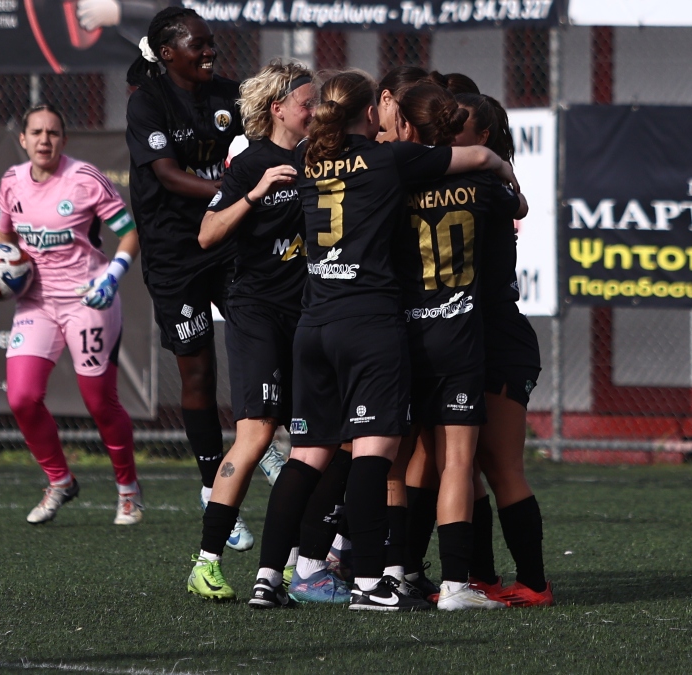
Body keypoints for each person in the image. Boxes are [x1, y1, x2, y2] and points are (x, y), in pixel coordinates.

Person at [245, 69, 519, 611]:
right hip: (368, 324)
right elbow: (475, 159)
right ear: (370, 112)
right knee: (375, 454)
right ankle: (372, 583)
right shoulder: (388, 158)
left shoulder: (307, 157)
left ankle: (268, 578)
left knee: (307, 455)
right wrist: (502, 167)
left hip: (313, 324)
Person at [124, 6, 254, 550]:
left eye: (210, 42)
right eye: (197, 44)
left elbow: (260, 147)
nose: (209, 51)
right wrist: (240, 193)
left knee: (259, 340)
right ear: (168, 52)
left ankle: (263, 438)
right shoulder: (147, 102)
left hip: (228, 244)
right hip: (174, 254)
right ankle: (210, 485)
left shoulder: (230, 95)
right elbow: (170, 176)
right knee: (198, 372)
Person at [393, 84, 527, 611]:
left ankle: (395, 572)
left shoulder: (393, 173)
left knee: (402, 460)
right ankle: (455, 584)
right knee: (457, 462)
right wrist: (498, 169)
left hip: (404, 334)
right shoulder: (481, 182)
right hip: (459, 334)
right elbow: (518, 205)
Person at [184, 61, 315, 600]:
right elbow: (207, 234)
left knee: (312, 438)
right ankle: (206, 563)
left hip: (308, 314)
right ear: (278, 108)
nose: (315, 111)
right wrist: (255, 192)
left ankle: (296, 564)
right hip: (256, 311)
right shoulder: (251, 163)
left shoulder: (319, 157)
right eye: (307, 103)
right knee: (257, 432)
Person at [0, 104, 142, 526]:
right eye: (36, 132)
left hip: (89, 300)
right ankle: (60, 481)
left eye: (52, 132)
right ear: (23, 139)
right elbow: (4, 235)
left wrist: (112, 278)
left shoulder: (84, 179)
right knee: (22, 397)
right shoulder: (11, 181)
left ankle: (128, 490)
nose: (44, 140)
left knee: (99, 402)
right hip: (36, 303)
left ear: (64, 140)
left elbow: (130, 233)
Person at [455, 92, 553, 607]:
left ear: (484, 135)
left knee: (501, 465)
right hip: (469, 337)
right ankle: (482, 578)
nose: (447, 127)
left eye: (458, 122)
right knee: (466, 465)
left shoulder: (486, 184)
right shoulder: (471, 177)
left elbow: (518, 204)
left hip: (500, 340)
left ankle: (534, 583)